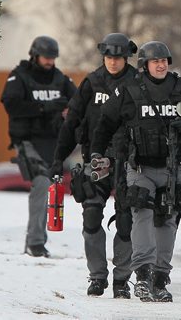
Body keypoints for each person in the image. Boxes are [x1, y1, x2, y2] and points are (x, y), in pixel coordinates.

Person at [90, 41, 181, 302]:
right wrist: (96, 153)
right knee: (141, 216)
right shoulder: (128, 90)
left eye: (164, 60)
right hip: (140, 168)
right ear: (145, 64)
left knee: (167, 221)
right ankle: (142, 275)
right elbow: (105, 123)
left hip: (174, 168)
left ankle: (160, 278)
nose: (161, 64)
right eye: (155, 61)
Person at [49, 33, 138, 298]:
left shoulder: (137, 83)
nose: (112, 62)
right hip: (96, 159)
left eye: (118, 57)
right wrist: (58, 158)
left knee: (125, 220)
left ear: (126, 58)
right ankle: (97, 276)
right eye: (108, 57)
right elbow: (72, 122)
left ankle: (122, 279)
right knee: (91, 216)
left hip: (128, 160)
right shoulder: (92, 82)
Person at [1, 36, 77, 258]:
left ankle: (36, 240)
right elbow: (12, 105)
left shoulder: (60, 78)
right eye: (46, 57)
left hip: (53, 141)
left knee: (51, 185)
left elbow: (78, 101)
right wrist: (44, 108)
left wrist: (66, 111)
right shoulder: (19, 76)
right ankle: (35, 243)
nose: (50, 62)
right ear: (34, 55)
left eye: (53, 58)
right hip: (27, 140)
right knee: (42, 182)